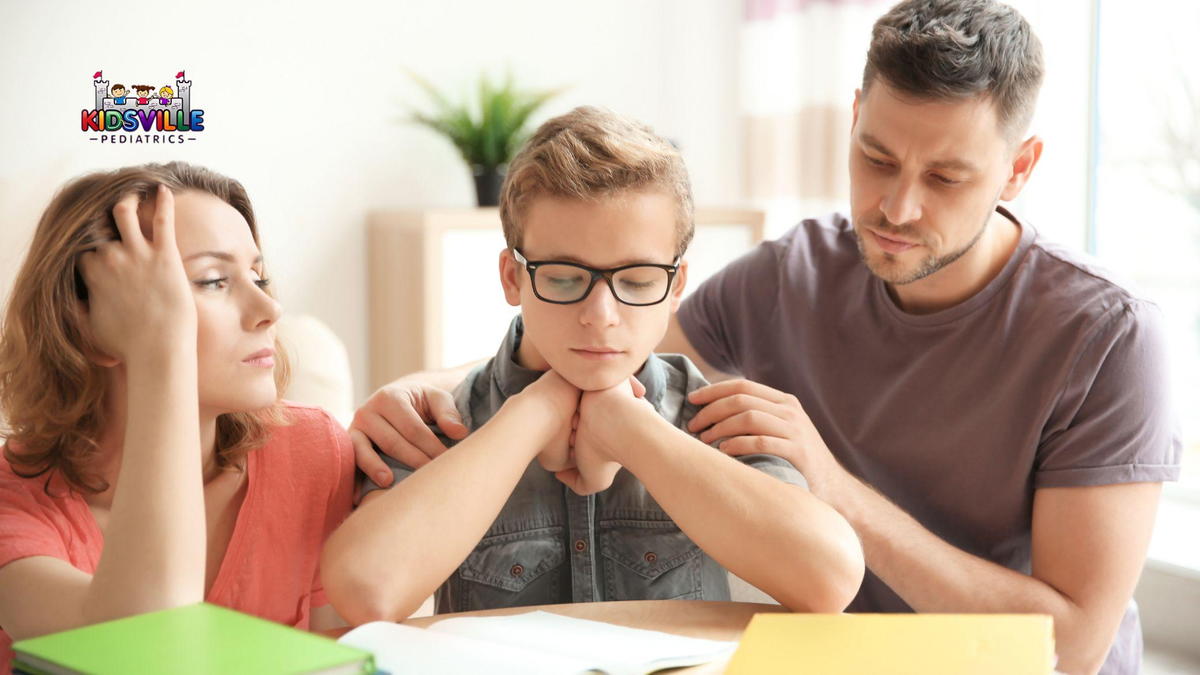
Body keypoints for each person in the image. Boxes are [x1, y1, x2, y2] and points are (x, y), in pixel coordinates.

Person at [349, 2, 1180, 673]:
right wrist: (429, 382)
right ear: (853, 119)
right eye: (877, 157)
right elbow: (609, 338)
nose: (896, 207)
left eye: (946, 177)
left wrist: (827, 480)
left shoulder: (1105, 336)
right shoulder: (793, 272)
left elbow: (1071, 645)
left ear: (1020, 168)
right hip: (833, 657)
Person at [321, 107, 864, 625]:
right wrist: (537, 411)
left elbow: (829, 578)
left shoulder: (714, 419)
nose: (600, 317)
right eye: (562, 277)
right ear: (513, 278)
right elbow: (366, 591)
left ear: (676, 286)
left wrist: (629, 428)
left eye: (637, 281)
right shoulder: (439, 425)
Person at [0, 162, 355, 670]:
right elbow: (148, 645)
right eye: (212, 281)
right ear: (88, 325)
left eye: (259, 276)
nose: (269, 308)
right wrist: (157, 348)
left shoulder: (311, 450)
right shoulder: (14, 504)